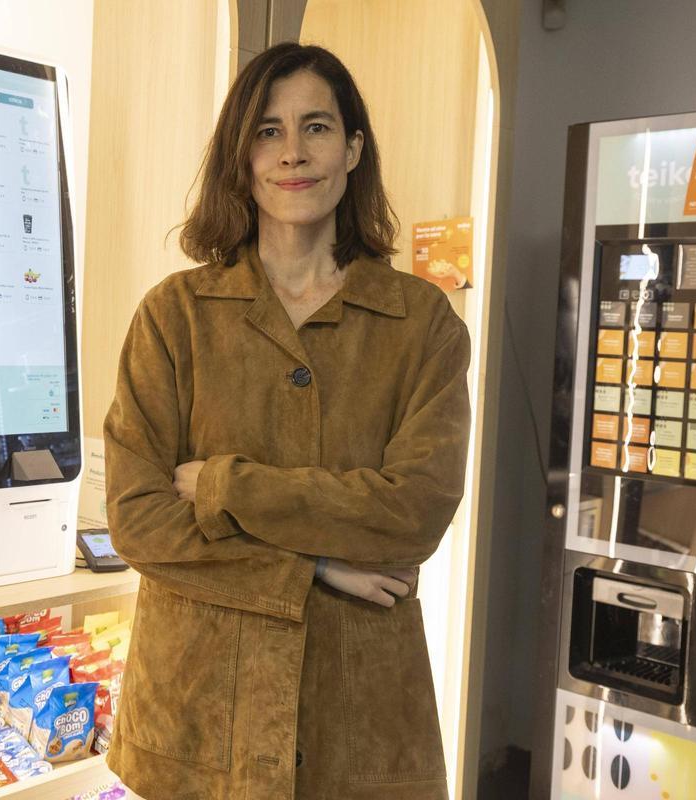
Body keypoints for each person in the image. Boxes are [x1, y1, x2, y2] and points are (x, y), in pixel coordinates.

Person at [103, 42, 471, 800]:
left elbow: (414, 513)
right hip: (196, 716)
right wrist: (317, 567)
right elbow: (138, 521)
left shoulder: (420, 323)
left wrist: (224, 487)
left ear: (354, 149)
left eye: (317, 127)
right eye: (267, 131)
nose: (292, 153)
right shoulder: (174, 316)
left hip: (357, 715)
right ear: (241, 158)